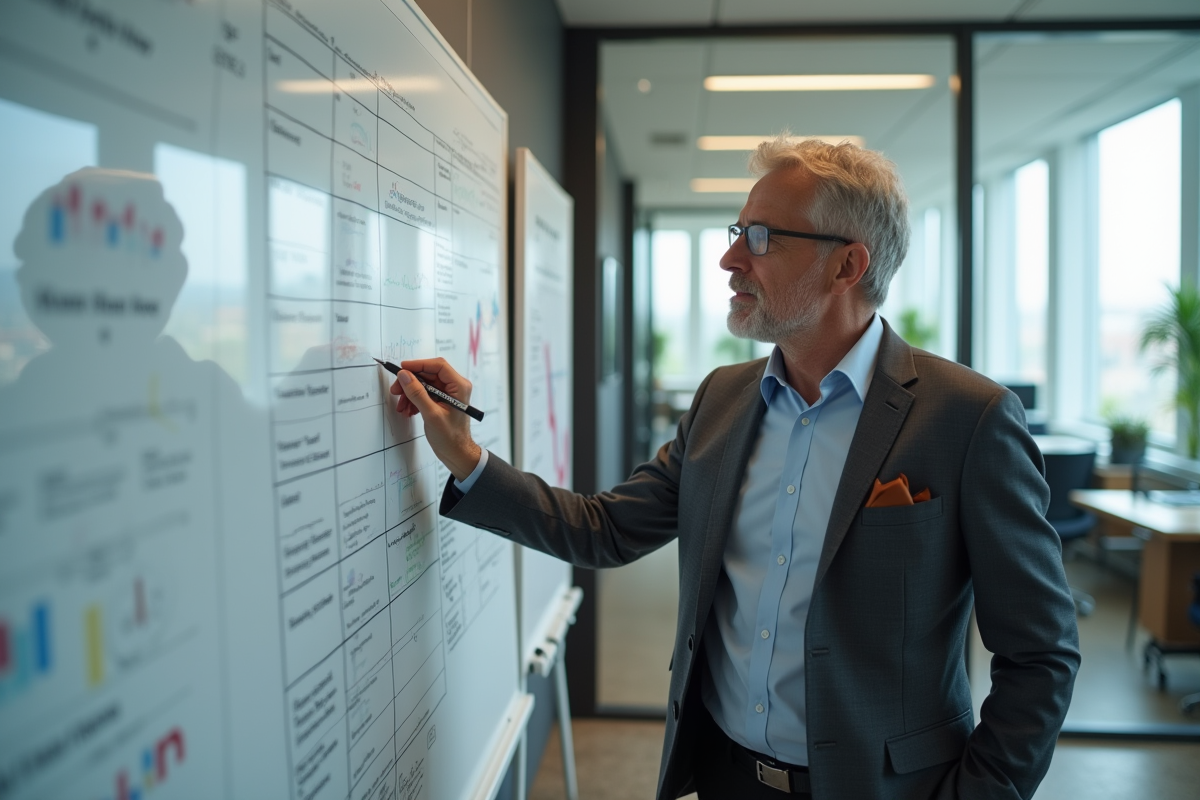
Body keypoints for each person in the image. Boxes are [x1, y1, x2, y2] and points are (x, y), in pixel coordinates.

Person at [389, 137, 1080, 799]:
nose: (728, 260)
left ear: (848, 266)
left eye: (759, 238)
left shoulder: (968, 417)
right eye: (735, 231)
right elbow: (603, 530)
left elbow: (1041, 655)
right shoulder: (723, 399)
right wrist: (469, 458)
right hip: (724, 777)